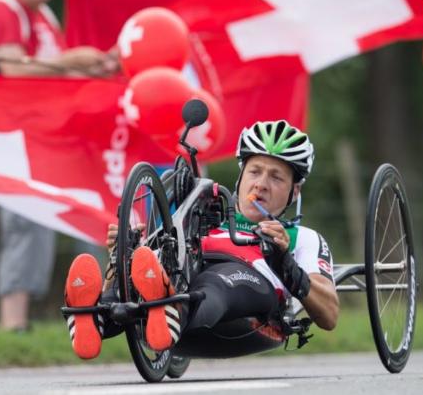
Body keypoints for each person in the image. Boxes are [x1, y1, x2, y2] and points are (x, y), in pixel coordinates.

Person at [64, 120, 340, 359]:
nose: (261, 184)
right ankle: (97, 316)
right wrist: (126, 250)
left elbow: (329, 314)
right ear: (242, 174)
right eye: (255, 172)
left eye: (276, 177)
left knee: (217, 281)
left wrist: (284, 260)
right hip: (185, 273)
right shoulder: (202, 215)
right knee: (147, 265)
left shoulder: (301, 237)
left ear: (294, 192)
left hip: (249, 293)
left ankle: (173, 311)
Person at [0, 0, 118, 331]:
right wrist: (74, 60)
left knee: (82, 215)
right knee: (23, 222)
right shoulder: (3, 11)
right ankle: (13, 322)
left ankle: (95, 309)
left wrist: (93, 68)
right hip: (14, 137)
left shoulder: (45, 17)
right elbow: (12, 70)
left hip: (50, 137)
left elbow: (57, 77)